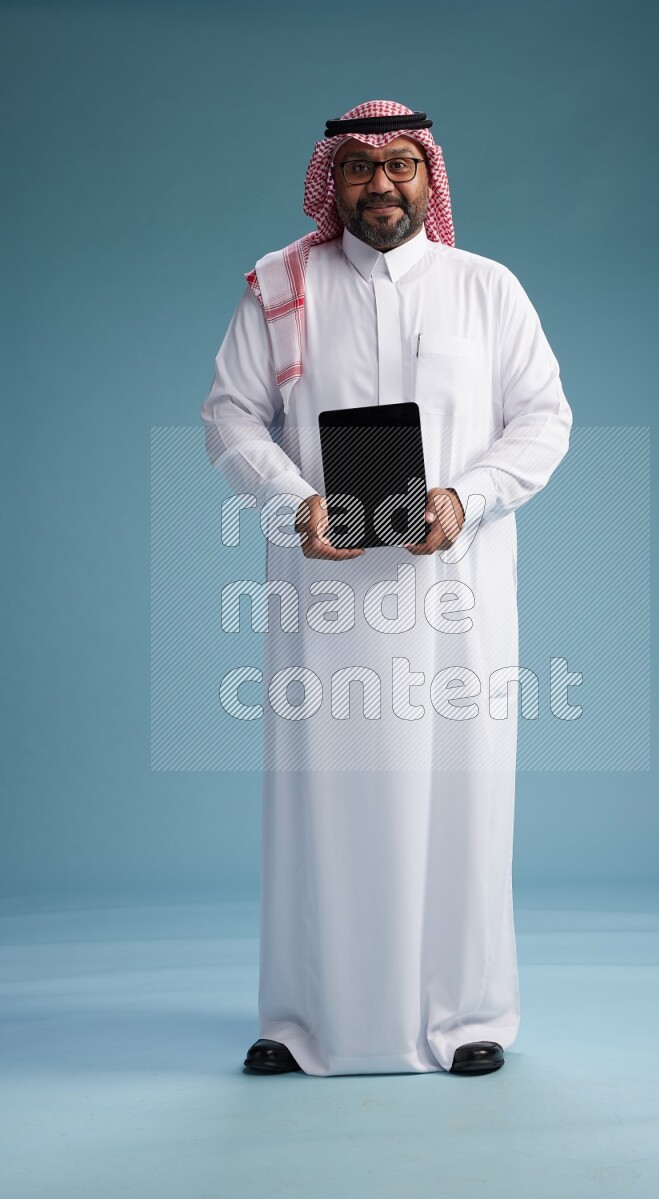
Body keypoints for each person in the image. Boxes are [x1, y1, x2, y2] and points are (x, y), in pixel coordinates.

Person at [200, 100, 573, 1078]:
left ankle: (467, 1013)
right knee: (320, 798)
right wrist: (292, 503)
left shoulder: (486, 289)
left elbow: (541, 419)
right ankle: (300, 1018)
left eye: (400, 166)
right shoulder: (280, 287)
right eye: (361, 169)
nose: (380, 186)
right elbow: (232, 418)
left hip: (455, 596)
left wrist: (467, 496)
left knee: (461, 794)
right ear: (335, 180)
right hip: (324, 601)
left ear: (428, 177)